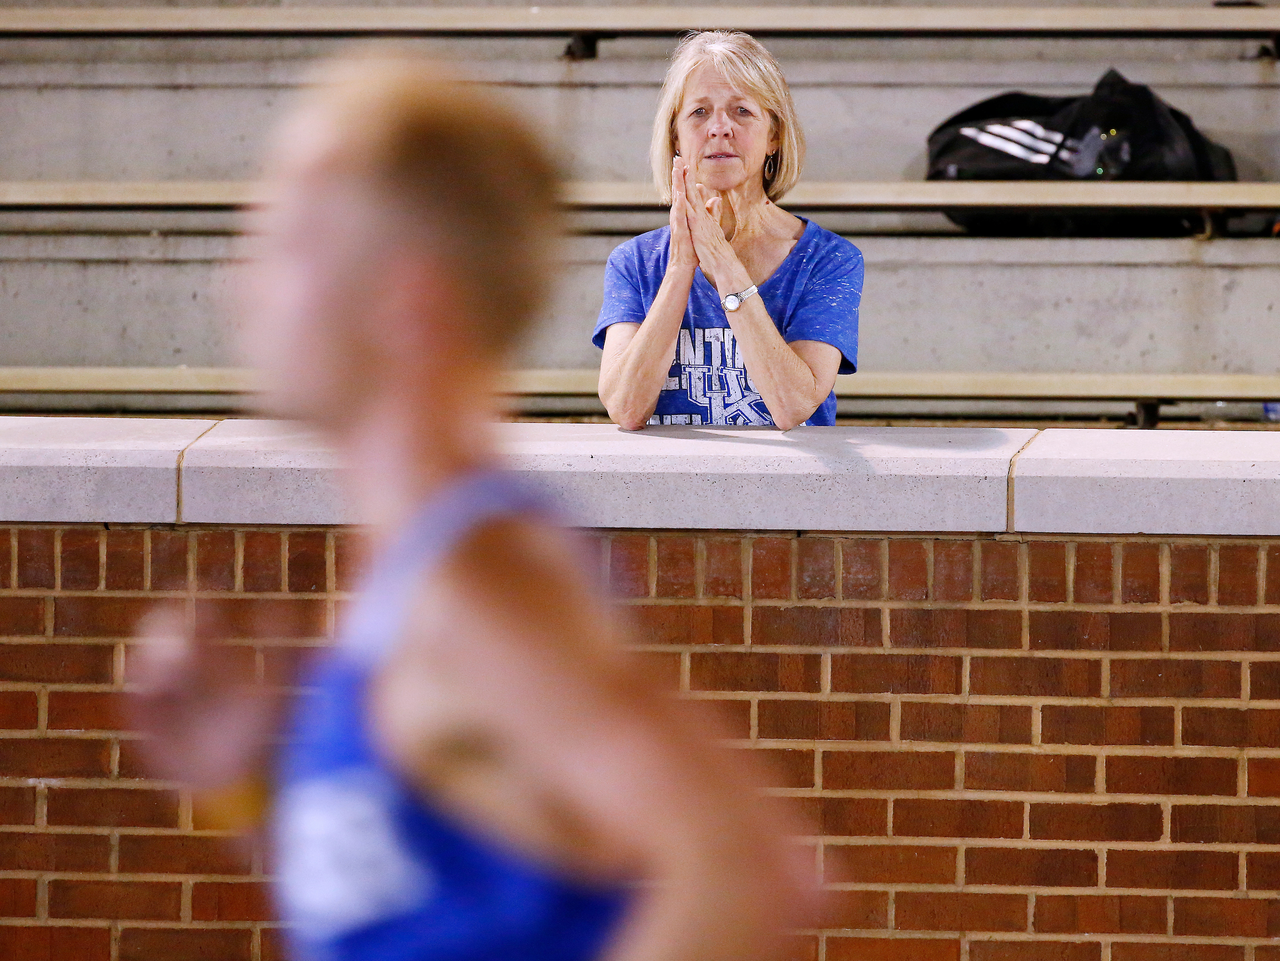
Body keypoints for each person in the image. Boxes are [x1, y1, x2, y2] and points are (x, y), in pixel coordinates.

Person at [130, 52, 814, 961]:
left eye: (289, 243)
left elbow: (748, 866)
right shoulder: (417, 568)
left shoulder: (478, 583)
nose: (237, 285)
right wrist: (253, 794)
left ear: (407, 302)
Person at [595, 31, 863, 431]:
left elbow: (793, 406)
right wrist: (680, 267)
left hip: (792, 489)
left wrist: (721, 260)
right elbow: (625, 408)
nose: (719, 127)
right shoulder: (634, 262)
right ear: (676, 137)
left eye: (741, 111)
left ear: (774, 135)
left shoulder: (828, 259)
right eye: (699, 112)